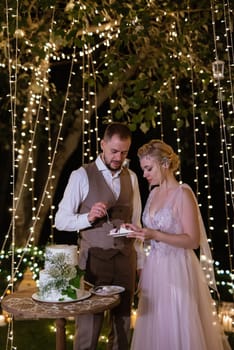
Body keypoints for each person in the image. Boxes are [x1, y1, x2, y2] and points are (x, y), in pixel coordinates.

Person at [124, 139, 231, 350]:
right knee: (155, 325)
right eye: (143, 169)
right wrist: (139, 232)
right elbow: (152, 232)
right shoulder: (153, 193)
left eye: (148, 168)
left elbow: (192, 239)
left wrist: (156, 234)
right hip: (155, 268)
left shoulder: (183, 193)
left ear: (164, 164)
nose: (144, 174)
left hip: (177, 269)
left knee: (177, 323)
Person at [55, 122, 143, 350]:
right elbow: (61, 221)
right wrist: (88, 218)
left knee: (122, 331)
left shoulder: (132, 177)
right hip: (94, 265)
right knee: (88, 332)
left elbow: (137, 223)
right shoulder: (81, 175)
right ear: (102, 145)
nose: (118, 157)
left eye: (124, 152)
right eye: (114, 151)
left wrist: (140, 263)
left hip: (126, 261)